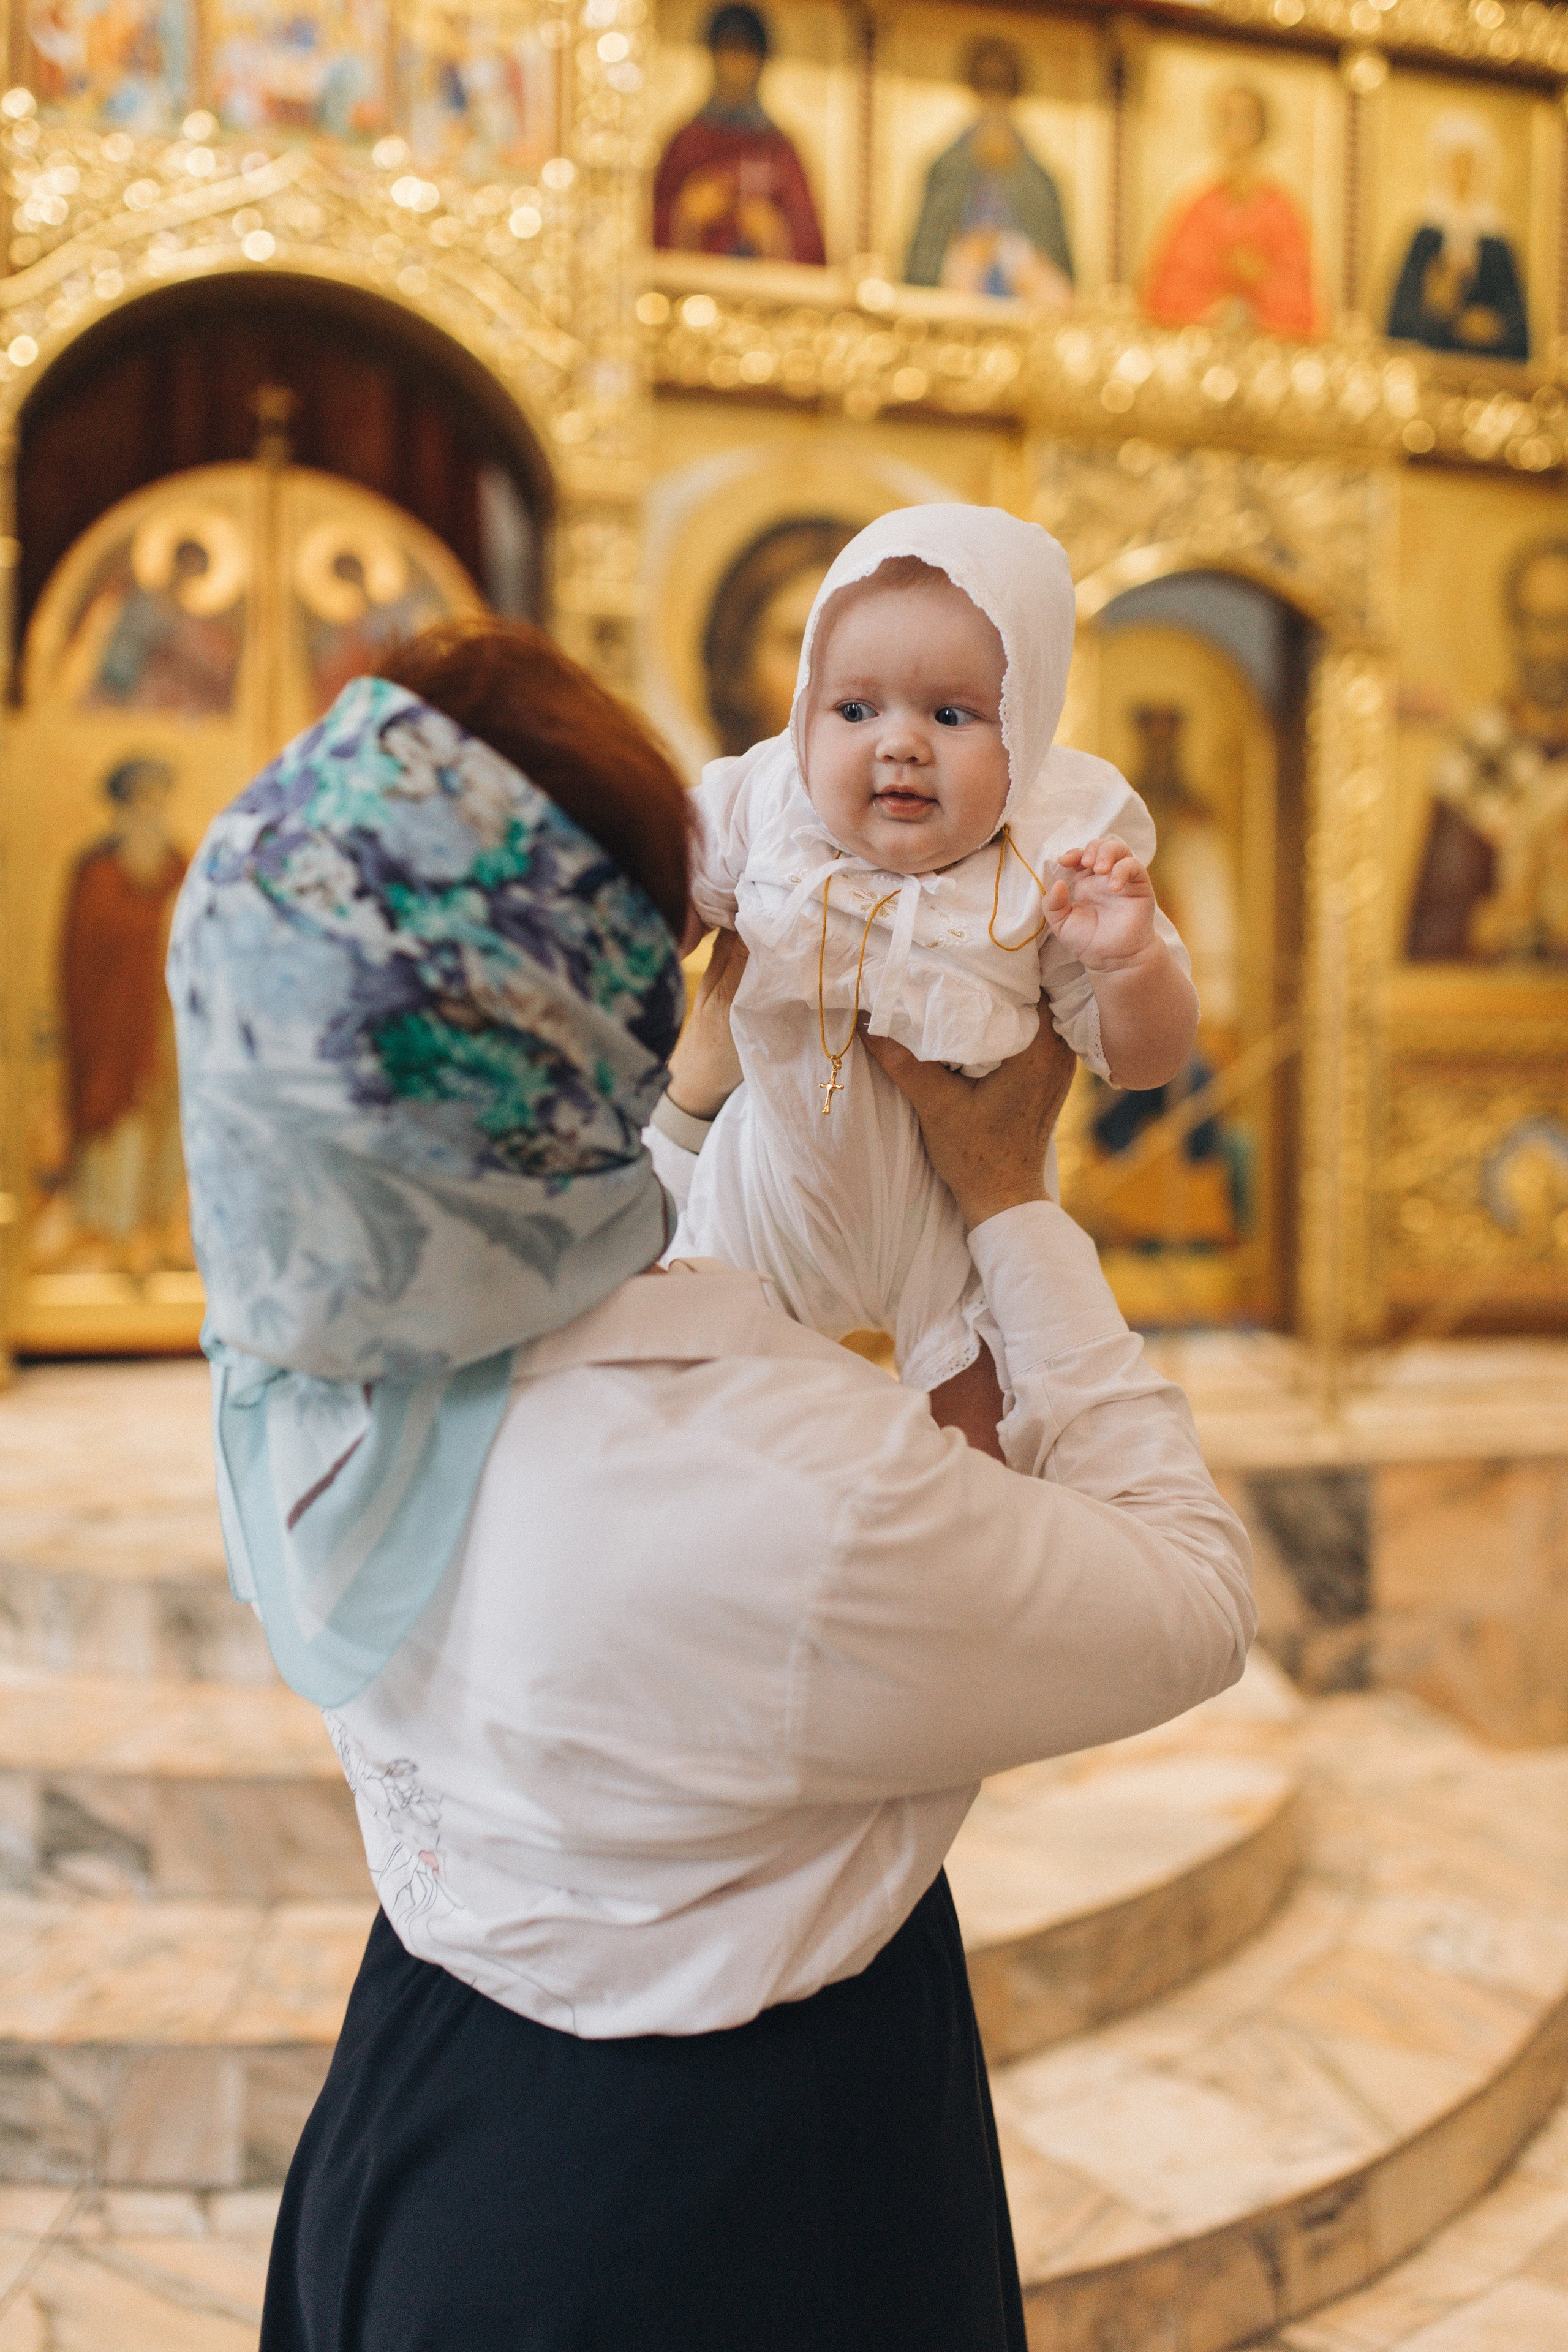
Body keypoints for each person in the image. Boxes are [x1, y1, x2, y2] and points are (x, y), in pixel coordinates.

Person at [170, 614, 1253, 2352]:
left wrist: (680, 1107)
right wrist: (1006, 1198)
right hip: (724, 2191)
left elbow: (555, 1278)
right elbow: (1190, 1599)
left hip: (419, 2090)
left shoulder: (303, 1325)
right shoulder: (785, 1486)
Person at [679, 505, 1199, 1455]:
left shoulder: (1057, 854)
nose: (900, 744)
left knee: (983, 1443)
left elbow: (1146, 1062)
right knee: (703, 1405)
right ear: (804, 708)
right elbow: (654, 898)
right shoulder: (768, 800)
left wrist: (1129, 963)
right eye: (855, 710)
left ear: (1028, 732)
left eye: (952, 716)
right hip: (769, 1196)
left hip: (953, 1228)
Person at [55, 755, 188, 1272]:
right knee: (118, 1133)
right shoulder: (99, 871)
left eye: (160, 797)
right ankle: (111, 1236)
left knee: (164, 1130)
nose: (153, 809)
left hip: (165, 1025)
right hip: (112, 1032)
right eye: (143, 797)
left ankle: (156, 1232)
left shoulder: (177, 866)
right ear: (123, 805)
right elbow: (80, 960)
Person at [1408, 538, 1568, 962]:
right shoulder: (1475, 757)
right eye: (1537, 624)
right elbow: (1432, 937)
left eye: (1564, 624)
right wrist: (1487, 929)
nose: (1554, 647)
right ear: (1515, 631)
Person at [903, 36, 1073, 305]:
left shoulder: (1039, 181)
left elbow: (1061, 276)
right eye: (987, 85)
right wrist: (962, 261)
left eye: (1002, 86)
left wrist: (1021, 259)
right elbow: (922, 266)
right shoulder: (948, 169)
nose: (995, 100)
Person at [652, 3, 825, 264]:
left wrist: (774, 234)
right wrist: (687, 216)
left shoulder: (780, 150)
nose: (736, 66)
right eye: (728, 50)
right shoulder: (686, 142)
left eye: (746, 53)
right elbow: (646, 237)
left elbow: (813, 253)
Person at [1142, 82, 1316, 341]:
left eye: (1246, 119)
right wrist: (1216, 303)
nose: (1237, 130)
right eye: (1229, 119)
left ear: (1262, 128)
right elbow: (1166, 293)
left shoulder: (1281, 212)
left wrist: (1260, 279)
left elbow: (1302, 306)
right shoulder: (1200, 208)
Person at [1387, 111, 1528, 363]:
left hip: (1486, 369)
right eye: (1456, 166)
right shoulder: (1426, 235)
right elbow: (1399, 324)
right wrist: (1441, 316)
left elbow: (1519, 333)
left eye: (1470, 167)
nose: (1463, 177)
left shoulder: (1497, 241)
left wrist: (1491, 328)